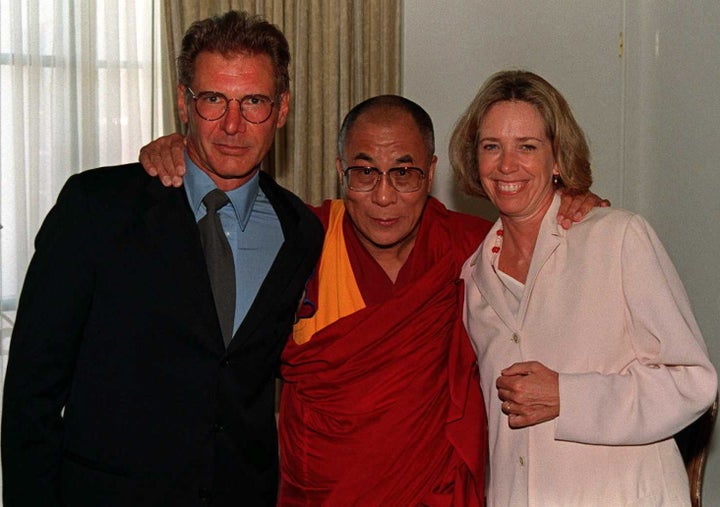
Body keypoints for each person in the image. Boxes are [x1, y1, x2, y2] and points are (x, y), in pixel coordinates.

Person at [140, 93, 606, 504]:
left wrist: (572, 201)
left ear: (431, 172)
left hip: (435, 492)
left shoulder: (474, 245)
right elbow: (205, 241)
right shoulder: (298, 238)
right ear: (341, 170)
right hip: (323, 491)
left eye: (404, 173)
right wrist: (182, 154)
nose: (384, 197)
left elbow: (551, 249)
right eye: (364, 173)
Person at [1, 10, 323, 507]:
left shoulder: (301, 230)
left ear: (281, 109)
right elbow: (31, 393)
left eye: (253, 101)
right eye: (214, 99)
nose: (233, 124)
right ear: (183, 103)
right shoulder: (97, 207)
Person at [450, 70, 718, 506]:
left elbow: (693, 383)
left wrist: (567, 396)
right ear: (473, 159)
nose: (506, 165)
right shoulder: (473, 278)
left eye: (528, 147)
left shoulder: (617, 237)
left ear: (557, 158)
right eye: (491, 146)